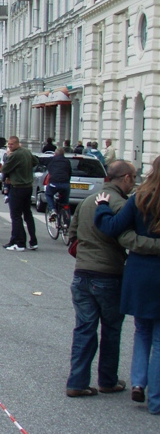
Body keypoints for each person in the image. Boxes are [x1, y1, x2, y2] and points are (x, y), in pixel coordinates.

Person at [67, 160, 160, 397]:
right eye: (135, 176)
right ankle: (107, 380)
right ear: (126, 178)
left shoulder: (90, 200)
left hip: (82, 273)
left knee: (84, 329)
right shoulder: (119, 203)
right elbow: (127, 238)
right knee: (110, 330)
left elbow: (72, 233)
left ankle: (77, 382)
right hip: (108, 274)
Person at [94, 155, 160, 414]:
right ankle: (155, 400)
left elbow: (111, 226)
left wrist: (102, 206)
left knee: (142, 331)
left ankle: (139, 383)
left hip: (140, 274)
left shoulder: (139, 199)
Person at [0, 136, 38, 251]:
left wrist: (8, 157)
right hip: (28, 187)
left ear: (17, 144)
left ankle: (20, 243)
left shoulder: (15, 155)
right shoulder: (26, 152)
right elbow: (36, 161)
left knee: (16, 216)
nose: (9, 146)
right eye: (8, 144)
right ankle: (33, 241)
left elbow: (4, 169)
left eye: (11, 144)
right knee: (27, 214)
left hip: (17, 187)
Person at [45, 148, 72, 220]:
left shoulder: (52, 160)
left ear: (55, 154)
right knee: (65, 202)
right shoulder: (67, 161)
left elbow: (49, 170)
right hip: (65, 184)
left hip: (54, 183)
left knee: (48, 194)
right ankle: (66, 217)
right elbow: (69, 173)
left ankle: (52, 209)